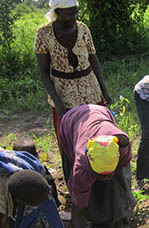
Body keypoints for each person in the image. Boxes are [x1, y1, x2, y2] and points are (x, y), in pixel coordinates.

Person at [59, 104, 136, 228]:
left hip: (100, 113)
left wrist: (127, 193)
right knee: (83, 194)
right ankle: (94, 218)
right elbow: (76, 214)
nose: (105, 178)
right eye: (99, 175)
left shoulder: (120, 145)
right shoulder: (82, 165)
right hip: (71, 122)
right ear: (90, 168)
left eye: (109, 173)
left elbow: (120, 170)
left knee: (115, 184)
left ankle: (118, 219)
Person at [34, 0, 112, 149]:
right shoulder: (43, 33)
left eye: (76, 11)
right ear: (58, 12)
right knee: (71, 141)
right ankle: (74, 171)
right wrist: (57, 101)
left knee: (97, 136)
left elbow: (93, 60)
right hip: (64, 95)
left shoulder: (82, 29)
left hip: (91, 92)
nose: (75, 16)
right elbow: (43, 71)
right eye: (70, 13)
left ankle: (100, 170)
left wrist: (104, 90)